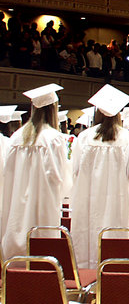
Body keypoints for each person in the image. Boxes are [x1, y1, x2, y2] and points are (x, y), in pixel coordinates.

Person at [1, 84, 72, 260]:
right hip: (43, 202)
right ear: (52, 110)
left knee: (18, 233)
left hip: (16, 200)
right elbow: (58, 176)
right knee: (40, 242)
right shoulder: (53, 138)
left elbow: (7, 172)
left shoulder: (16, 137)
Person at [71, 84, 129, 269]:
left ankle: (87, 278)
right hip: (117, 199)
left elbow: (75, 170)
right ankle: (113, 278)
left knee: (89, 235)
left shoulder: (84, 137)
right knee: (114, 235)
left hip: (88, 198)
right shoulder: (128, 138)